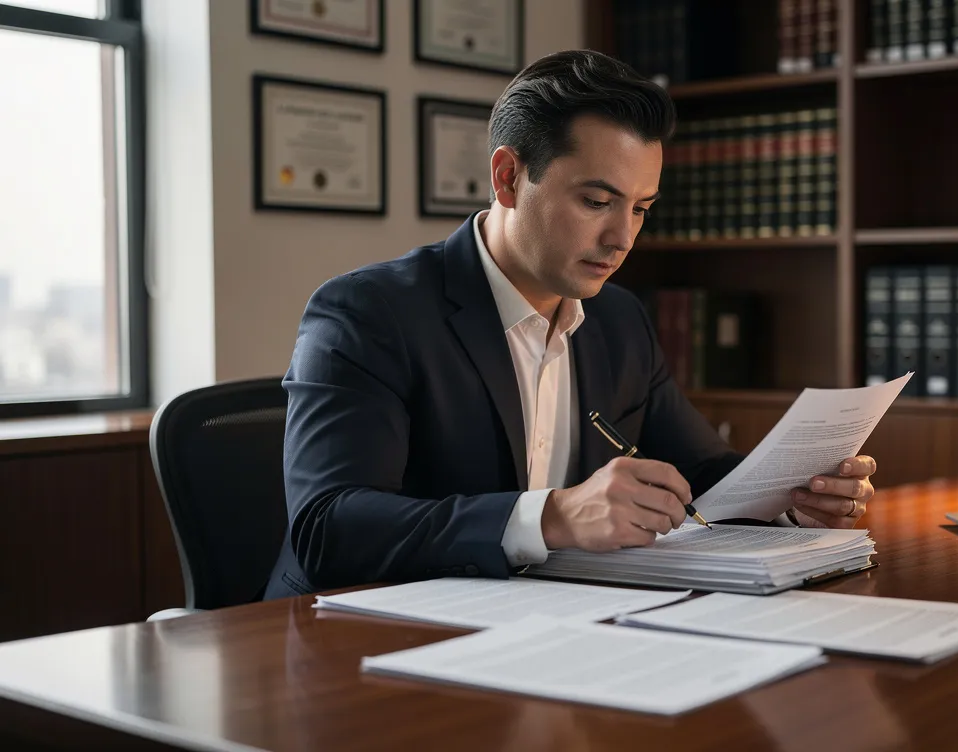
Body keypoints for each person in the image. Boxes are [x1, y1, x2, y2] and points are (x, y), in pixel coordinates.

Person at [264, 49, 878, 599]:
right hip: (356, 643)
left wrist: (794, 500)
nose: (622, 238)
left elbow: (705, 476)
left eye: (640, 209)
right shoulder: (367, 313)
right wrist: (551, 517)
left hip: (542, 630)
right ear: (508, 178)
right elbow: (328, 528)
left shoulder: (618, 318)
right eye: (596, 201)